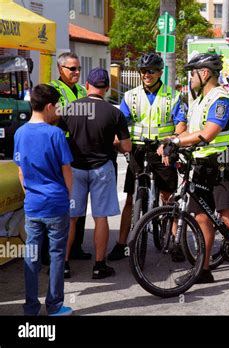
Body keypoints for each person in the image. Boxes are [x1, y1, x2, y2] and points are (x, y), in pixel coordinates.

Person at [159, 53, 229, 296]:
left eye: (192, 73)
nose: (189, 78)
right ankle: (202, 270)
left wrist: (175, 141)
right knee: (201, 218)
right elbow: (191, 132)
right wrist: (171, 142)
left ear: (204, 73)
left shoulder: (221, 98)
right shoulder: (198, 101)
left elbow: (209, 133)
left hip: (226, 164)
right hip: (203, 166)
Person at [110, 53, 187, 261]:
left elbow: (181, 122)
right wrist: (118, 140)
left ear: (160, 72)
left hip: (164, 150)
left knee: (168, 197)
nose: (147, 75)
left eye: (151, 71)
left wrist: (173, 140)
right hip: (138, 149)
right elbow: (121, 122)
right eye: (143, 71)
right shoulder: (130, 96)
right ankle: (121, 243)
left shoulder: (173, 95)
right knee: (130, 198)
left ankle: (175, 242)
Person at [60, 68, 132, 278]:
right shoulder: (114, 113)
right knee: (101, 217)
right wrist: (114, 143)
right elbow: (126, 147)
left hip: (75, 169)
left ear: (87, 86)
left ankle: (63, 265)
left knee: (71, 218)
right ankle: (99, 266)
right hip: (102, 168)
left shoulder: (71, 109)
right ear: (107, 88)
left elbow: (57, 136)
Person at [13, 84, 73, 316]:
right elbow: (66, 170)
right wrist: (67, 196)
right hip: (56, 203)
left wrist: (30, 195)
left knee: (32, 256)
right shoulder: (55, 134)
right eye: (57, 107)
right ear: (48, 106)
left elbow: (20, 171)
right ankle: (55, 305)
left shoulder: (20, 132)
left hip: (33, 206)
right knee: (57, 255)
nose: (58, 111)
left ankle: (30, 308)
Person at [46, 52, 90, 264]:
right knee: (59, 200)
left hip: (79, 149)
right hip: (59, 147)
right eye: (72, 69)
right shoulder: (51, 89)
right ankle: (51, 251)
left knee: (78, 199)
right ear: (60, 69)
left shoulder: (82, 90)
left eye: (78, 68)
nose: (77, 72)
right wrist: (70, 110)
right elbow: (48, 116)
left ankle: (76, 247)